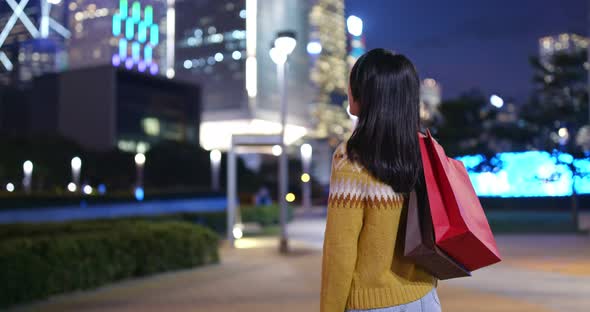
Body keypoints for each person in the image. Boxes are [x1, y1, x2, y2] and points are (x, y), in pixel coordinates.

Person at [320, 49, 441, 312]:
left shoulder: (351, 157)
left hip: (373, 304)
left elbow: (340, 250)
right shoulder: (424, 150)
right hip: (426, 299)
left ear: (367, 94)